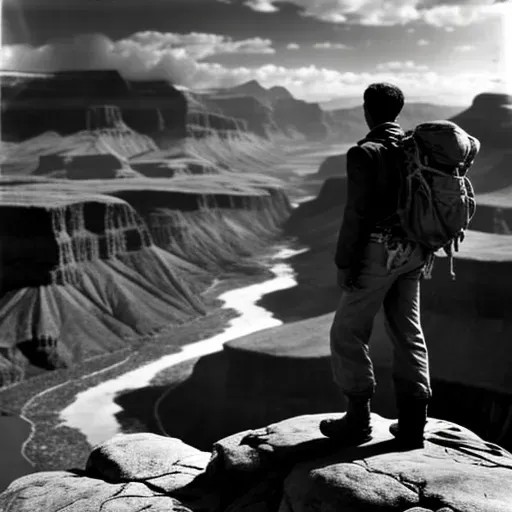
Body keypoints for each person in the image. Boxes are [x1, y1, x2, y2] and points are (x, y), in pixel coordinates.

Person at [319, 82, 431, 450]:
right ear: (397, 111)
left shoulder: (365, 152)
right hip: (415, 250)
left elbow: (357, 214)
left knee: (347, 332)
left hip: (379, 252)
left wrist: (344, 262)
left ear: (367, 110)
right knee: (407, 332)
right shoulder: (417, 148)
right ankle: (414, 426)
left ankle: (358, 421)